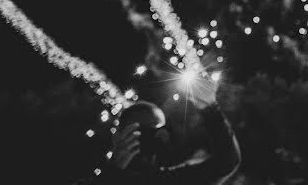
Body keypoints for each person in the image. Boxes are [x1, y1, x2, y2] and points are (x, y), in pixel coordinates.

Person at [82, 73, 241, 184]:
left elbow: (225, 162)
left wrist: (210, 109)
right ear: (118, 136)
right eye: (139, 132)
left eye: (157, 132)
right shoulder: (101, 180)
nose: (152, 138)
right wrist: (112, 173)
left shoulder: (165, 181)